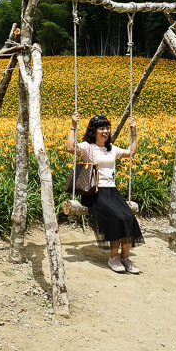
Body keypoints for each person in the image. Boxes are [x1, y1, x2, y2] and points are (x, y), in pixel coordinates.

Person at [66, 113, 144, 274]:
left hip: (111, 191)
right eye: (102, 128)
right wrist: (73, 126)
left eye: (107, 128)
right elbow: (70, 148)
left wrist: (133, 132)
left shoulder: (112, 149)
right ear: (94, 131)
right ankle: (113, 257)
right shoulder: (88, 147)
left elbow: (131, 152)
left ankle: (125, 258)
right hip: (94, 192)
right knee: (117, 217)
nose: (105, 131)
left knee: (129, 217)